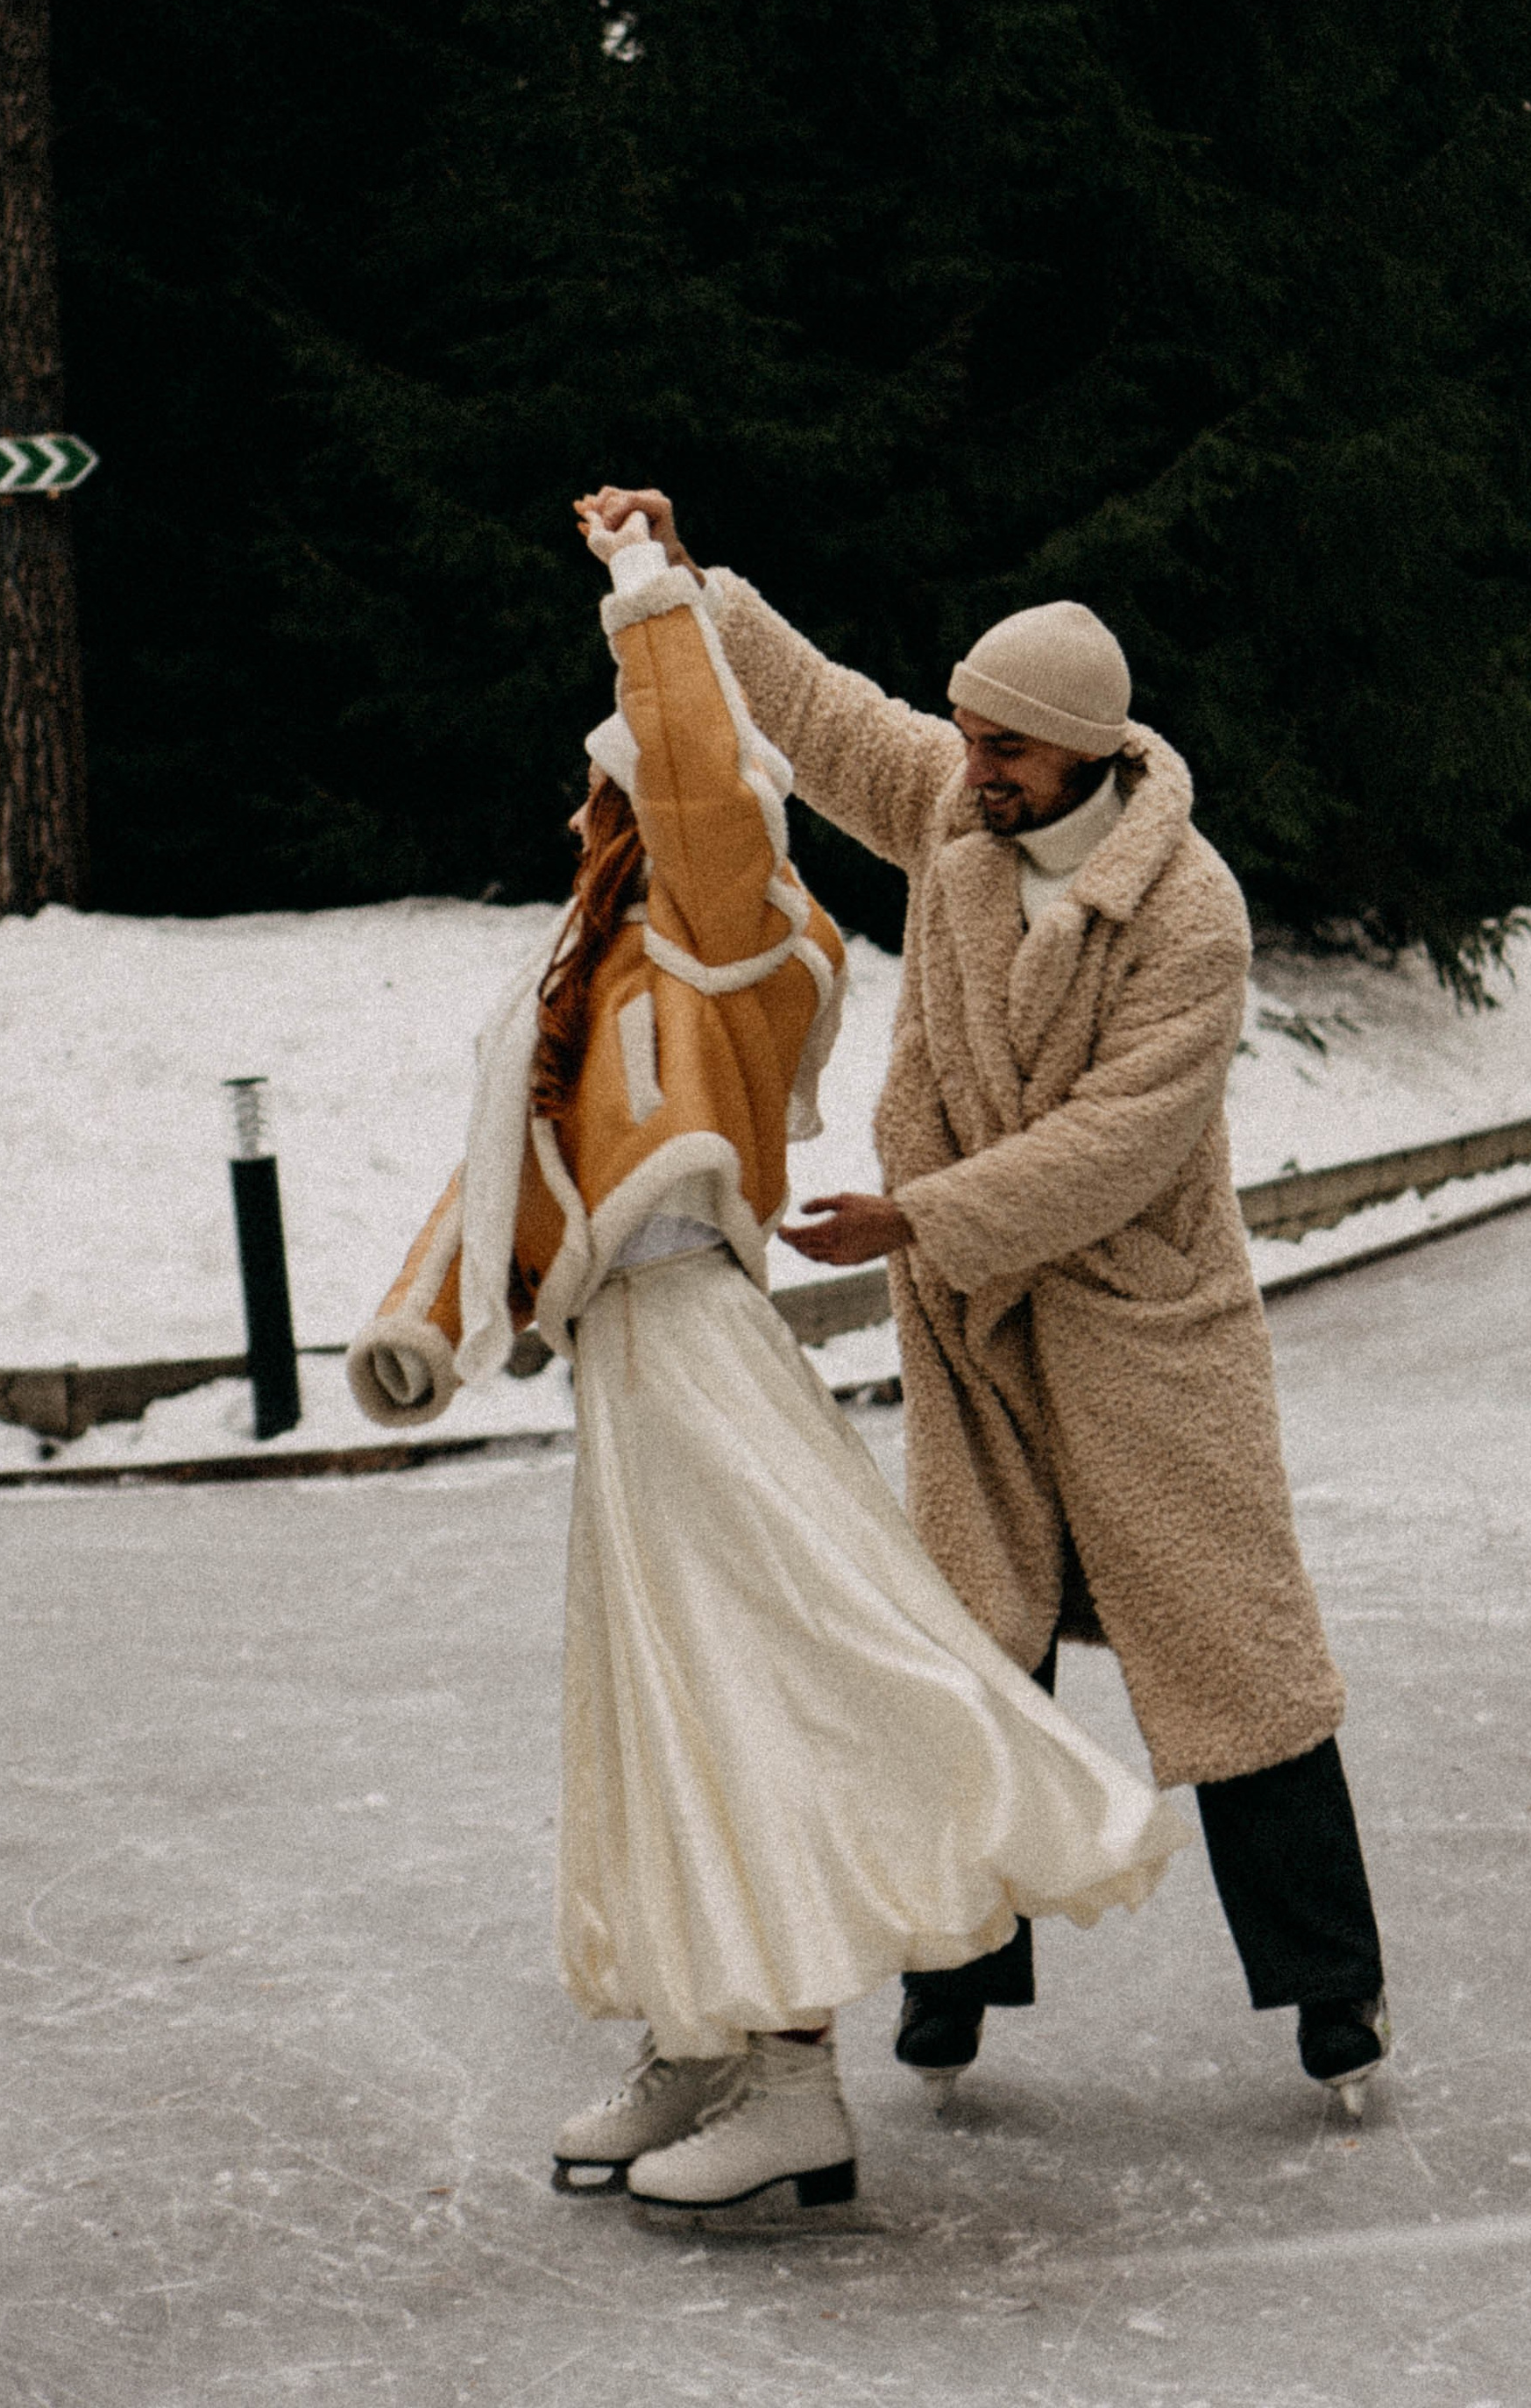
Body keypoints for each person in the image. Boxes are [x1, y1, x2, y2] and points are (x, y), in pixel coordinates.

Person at [348, 499, 1188, 2216]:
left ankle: (795, 2078)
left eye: (616, 790)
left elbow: (699, 768)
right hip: (624, 1373)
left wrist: (650, 592)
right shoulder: (591, 973)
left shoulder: (733, 927)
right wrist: (416, 1333)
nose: (589, 814)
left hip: (708, 1356)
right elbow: (504, 1169)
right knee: (655, 1721)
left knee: (766, 1695)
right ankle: (700, 2043)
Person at [578, 487, 1391, 2119]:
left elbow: (1120, 1143)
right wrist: (681, 581)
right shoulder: (957, 818)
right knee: (965, 1654)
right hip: (982, 1340)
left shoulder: (1188, 911)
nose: (970, 765)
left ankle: (1336, 1996)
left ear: (1085, 752)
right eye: (965, 736)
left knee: (1240, 1669)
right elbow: (821, 712)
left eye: (1003, 747)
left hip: (1144, 1332)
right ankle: (952, 1992)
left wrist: (920, 1215)